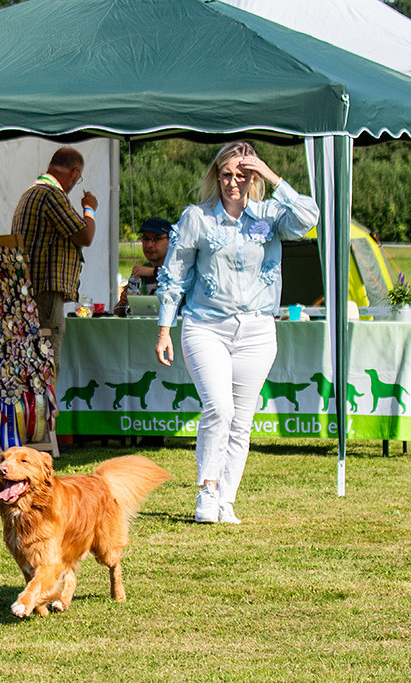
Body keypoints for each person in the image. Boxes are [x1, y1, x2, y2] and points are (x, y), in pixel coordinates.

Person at [154, 141, 319, 524]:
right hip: (205, 326)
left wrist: (272, 175)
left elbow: (308, 217)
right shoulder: (197, 218)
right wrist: (164, 328)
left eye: (242, 175)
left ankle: (226, 499)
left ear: (254, 177)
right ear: (216, 176)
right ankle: (206, 490)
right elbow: (173, 275)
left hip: (259, 330)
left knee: (242, 418)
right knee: (220, 408)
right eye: (226, 174)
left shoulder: (272, 215)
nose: (233, 182)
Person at [11, 146, 98, 378]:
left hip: (29, 290)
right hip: (45, 292)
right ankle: (44, 413)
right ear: (74, 172)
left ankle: (36, 411)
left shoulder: (32, 191)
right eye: (77, 179)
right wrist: (90, 209)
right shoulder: (51, 194)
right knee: (47, 362)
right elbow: (85, 236)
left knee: (34, 361)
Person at [115, 217, 172, 316]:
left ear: (170, 240)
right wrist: (123, 302)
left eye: (156, 239)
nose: (149, 245)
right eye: (145, 239)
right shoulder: (139, 273)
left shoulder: (180, 268)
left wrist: (154, 272)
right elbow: (117, 311)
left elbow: (179, 277)